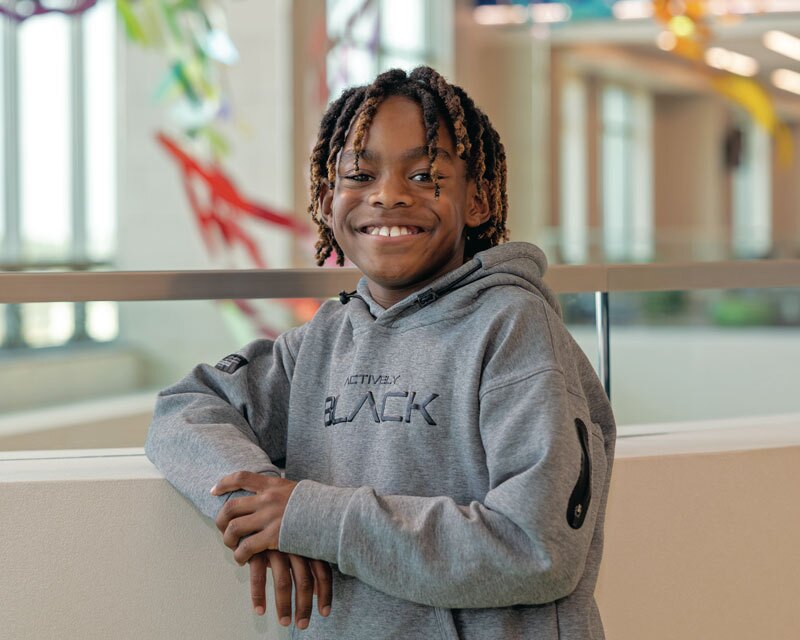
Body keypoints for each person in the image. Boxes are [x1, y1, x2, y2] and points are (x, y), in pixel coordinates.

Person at [145, 66, 616, 639]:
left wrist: (314, 517)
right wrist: (267, 510)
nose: (389, 195)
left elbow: (537, 547)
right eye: (360, 174)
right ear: (327, 199)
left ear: (478, 199)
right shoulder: (323, 340)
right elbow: (184, 409)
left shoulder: (514, 329)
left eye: (424, 174)